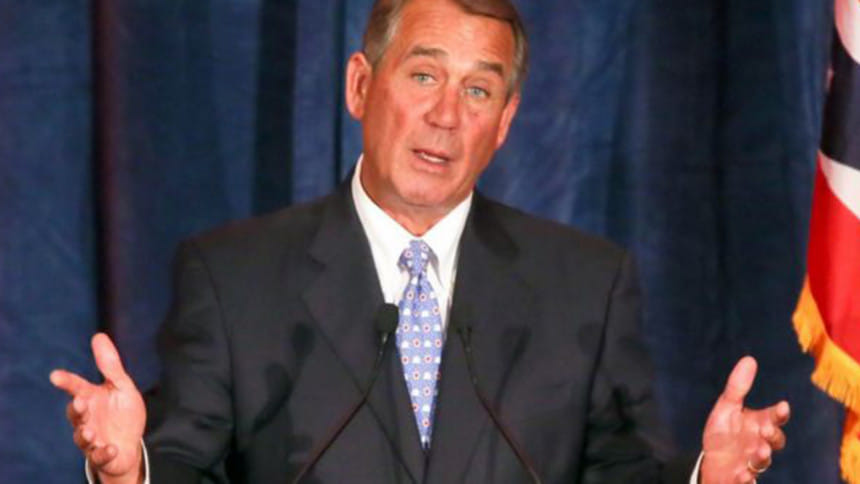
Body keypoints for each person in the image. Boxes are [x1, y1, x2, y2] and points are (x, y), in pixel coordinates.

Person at [51, 0, 790, 482]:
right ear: (359, 86)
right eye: (424, 75)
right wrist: (129, 471)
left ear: (505, 123)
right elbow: (185, 462)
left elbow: (625, 470)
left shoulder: (586, 284)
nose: (446, 115)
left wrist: (708, 477)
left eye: (478, 90)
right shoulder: (233, 276)